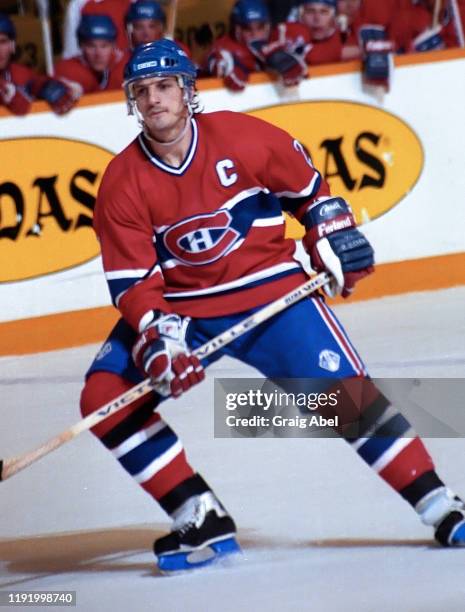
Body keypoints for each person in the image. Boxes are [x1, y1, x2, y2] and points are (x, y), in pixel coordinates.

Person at [81, 38, 465, 574]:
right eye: (142, 91)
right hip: (183, 310)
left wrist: (330, 237)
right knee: (105, 397)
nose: (154, 99)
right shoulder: (121, 182)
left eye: (165, 86)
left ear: (188, 91)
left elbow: (312, 194)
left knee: (346, 402)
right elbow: (133, 282)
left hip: (272, 295)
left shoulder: (243, 137)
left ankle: (441, 506)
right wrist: (159, 340)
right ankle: (200, 513)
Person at [207, 0, 309, 90]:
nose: (255, 34)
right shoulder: (224, 47)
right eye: (247, 28)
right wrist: (230, 65)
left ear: (268, 26)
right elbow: (215, 62)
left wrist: (287, 58)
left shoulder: (280, 37)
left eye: (260, 27)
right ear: (236, 29)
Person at [0, 13, 74, 115]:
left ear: (12, 45)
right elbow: (22, 110)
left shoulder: (20, 73)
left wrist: (45, 86)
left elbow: (35, 83)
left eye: (2, 42)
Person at [55, 15, 128, 106]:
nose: (98, 54)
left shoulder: (127, 66)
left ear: (113, 46)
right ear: (81, 46)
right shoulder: (69, 69)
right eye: (91, 46)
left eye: (104, 46)